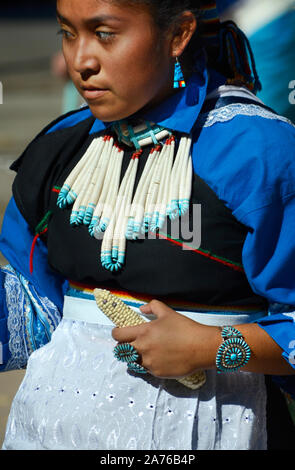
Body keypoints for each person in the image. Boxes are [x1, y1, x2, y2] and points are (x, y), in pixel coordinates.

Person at [1, 0, 295, 450]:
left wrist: (208, 347)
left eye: (104, 34)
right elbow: (39, 308)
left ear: (178, 35)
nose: (81, 60)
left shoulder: (257, 154)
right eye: (68, 32)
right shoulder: (60, 150)